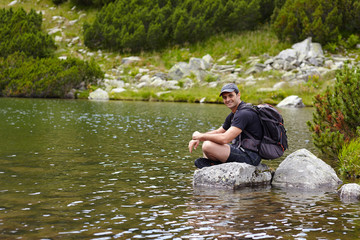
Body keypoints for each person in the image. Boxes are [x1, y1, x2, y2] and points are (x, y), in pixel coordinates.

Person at [188, 83, 263, 168]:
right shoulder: (234, 114)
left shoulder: (244, 113)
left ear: (238, 95)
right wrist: (198, 138)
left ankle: (216, 166)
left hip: (251, 157)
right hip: (241, 150)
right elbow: (218, 132)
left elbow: (225, 139)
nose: (227, 99)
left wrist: (200, 136)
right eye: (224, 97)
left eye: (231, 95)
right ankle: (217, 166)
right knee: (209, 142)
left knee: (208, 145)